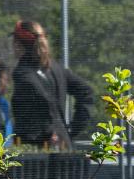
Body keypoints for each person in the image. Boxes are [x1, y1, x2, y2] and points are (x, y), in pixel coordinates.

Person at [9, 20, 93, 149]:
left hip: (35, 150)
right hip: (62, 144)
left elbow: (43, 102)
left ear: (18, 44)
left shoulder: (23, 74)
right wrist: (69, 130)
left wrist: (50, 132)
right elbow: (86, 91)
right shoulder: (55, 68)